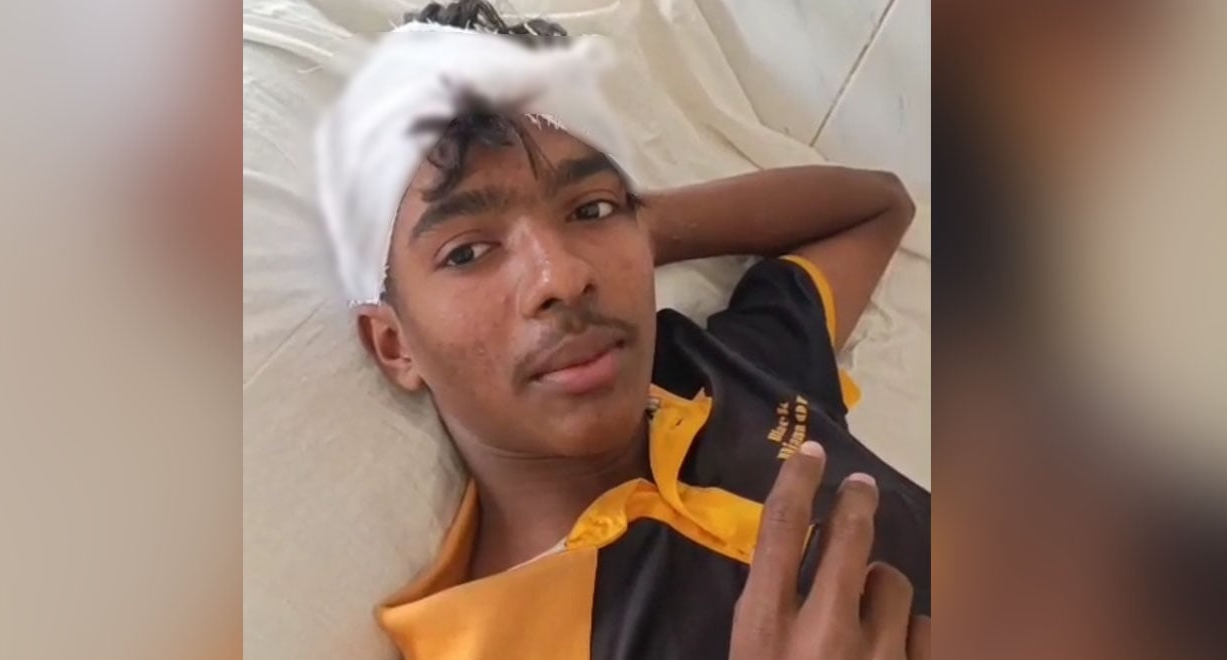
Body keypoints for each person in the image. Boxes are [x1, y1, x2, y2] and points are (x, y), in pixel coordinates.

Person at [315, 2, 930, 658]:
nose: (562, 276)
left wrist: (627, 223)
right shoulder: (492, 642)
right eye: (467, 252)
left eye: (590, 210)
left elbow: (877, 207)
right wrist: (593, 218)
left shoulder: (716, 371)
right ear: (395, 345)